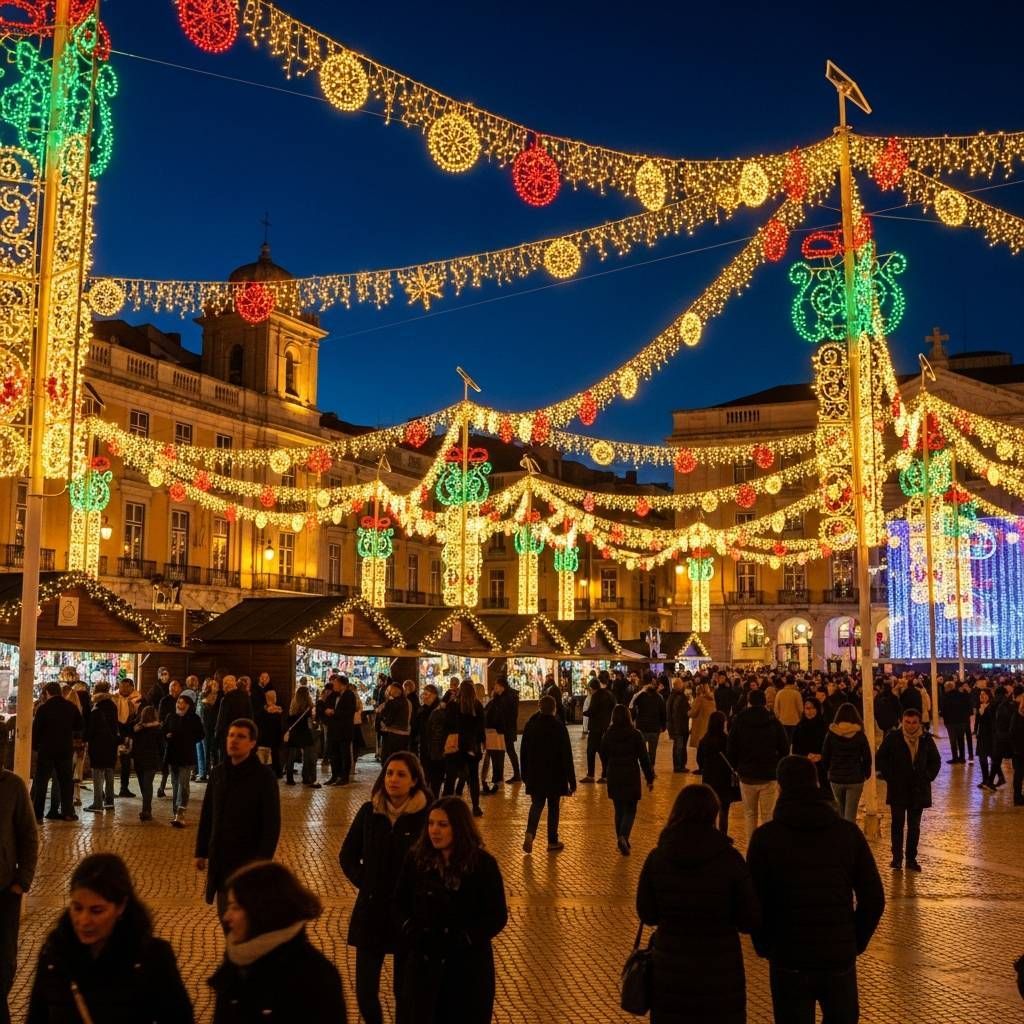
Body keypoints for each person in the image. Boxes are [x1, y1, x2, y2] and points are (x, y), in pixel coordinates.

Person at [747, 755, 884, 1024]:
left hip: (788, 956)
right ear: (817, 783)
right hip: (837, 957)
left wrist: (765, 944)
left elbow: (754, 901)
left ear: (782, 788)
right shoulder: (847, 834)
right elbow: (874, 898)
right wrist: (854, 940)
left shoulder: (766, 839)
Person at [637, 784, 759, 1024]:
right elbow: (750, 919)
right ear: (714, 813)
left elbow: (647, 913)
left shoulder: (658, 858)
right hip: (720, 974)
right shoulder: (730, 859)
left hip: (670, 973)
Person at [26, 852, 193, 1023]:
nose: (83, 921)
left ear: (121, 907)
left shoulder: (153, 957)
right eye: (77, 908)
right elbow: (36, 1017)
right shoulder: (54, 954)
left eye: (96, 910)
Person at [395, 797, 508, 1024]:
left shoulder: (482, 865)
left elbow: (496, 915)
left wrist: (466, 937)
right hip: (424, 967)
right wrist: (411, 929)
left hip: (467, 970)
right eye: (431, 824)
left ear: (459, 827)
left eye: (442, 825)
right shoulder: (416, 860)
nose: (434, 831)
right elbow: (399, 902)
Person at [340, 752, 431, 1024]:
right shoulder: (370, 812)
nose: (393, 779)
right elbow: (347, 855)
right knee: (365, 991)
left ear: (414, 780)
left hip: (407, 916)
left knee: (405, 993)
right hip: (371, 912)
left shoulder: (426, 816)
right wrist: (365, 882)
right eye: (390, 773)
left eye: (401, 774)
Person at [210, 860, 346, 1023]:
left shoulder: (316, 978)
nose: (226, 917)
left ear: (261, 911)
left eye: (236, 907)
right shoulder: (237, 961)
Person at [195, 718, 281, 916]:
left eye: (241, 737)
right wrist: (201, 851)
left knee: (246, 920)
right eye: (231, 735)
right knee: (226, 917)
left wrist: (260, 864)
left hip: (247, 862)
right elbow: (208, 814)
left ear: (252, 743)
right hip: (221, 862)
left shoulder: (264, 777)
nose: (233, 740)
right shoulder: (217, 774)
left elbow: (271, 826)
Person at [876, 708, 941, 871]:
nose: (911, 726)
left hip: (918, 789)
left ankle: (911, 859)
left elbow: (935, 760)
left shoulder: (926, 739)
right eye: (907, 722)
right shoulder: (893, 738)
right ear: (902, 721)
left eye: (914, 723)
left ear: (919, 723)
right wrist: (890, 776)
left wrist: (927, 776)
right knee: (897, 824)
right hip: (898, 788)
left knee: (914, 826)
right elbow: (881, 757)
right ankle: (897, 858)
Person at [726, 689, 790, 838]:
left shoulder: (739, 720)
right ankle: (767, 848)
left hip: (746, 775)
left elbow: (731, 748)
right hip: (769, 775)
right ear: (764, 702)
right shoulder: (773, 721)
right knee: (768, 815)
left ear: (749, 702)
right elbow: (785, 748)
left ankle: (752, 848)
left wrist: (736, 767)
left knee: (750, 814)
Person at [0, 767, 36, 1024]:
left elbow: (28, 835)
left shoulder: (12, 786)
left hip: (3, 893)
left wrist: (21, 882)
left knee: (3, 965)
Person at [519, 694, 576, 852]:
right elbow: (567, 754)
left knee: (536, 804)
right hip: (555, 774)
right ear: (554, 709)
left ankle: (530, 834)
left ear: (539, 707)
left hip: (535, 774)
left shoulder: (531, 725)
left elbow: (523, 751)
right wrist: (572, 780)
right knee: (553, 807)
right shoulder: (558, 726)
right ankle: (552, 841)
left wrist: (524, 774)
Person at [601, 703, 654, 854]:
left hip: (614, 773)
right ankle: (624, 836)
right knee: (630, 809)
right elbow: (644, 758)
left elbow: (603, 752)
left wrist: (606, 769)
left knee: (618, 809)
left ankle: (620, 839)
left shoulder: (609, 734)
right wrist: (649, 778)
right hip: (630, 773)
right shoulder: (635, 734)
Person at [31, 681, 82, 822]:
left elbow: (36, 731)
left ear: (47, 693)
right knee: (65, 782)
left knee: (41, 783)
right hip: (65, 750)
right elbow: (80, 724)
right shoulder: (70, 707)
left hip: (46, 750)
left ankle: (38, 815)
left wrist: (35, 747)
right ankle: (68, 813)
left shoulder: (43, 709)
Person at [821, 703, 873, 823]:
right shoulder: (860, 735)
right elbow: (866, 757)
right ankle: (849, 838)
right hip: (855, 778)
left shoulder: (831, 734)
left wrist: (829, 770)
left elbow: (825, 755)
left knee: (839, 812)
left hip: (836, 778)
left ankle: (840, 838)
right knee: (850, 814)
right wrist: (866, 773)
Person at [441, 679, 485, 817]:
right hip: (472, 747)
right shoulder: (477, 706)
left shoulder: (453, 705)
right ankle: (476, 806)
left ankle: (444, 806)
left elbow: (446, 724)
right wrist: (481, 743)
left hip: (456, 746)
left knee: (451, 777)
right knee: (473, 778)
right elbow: (481, 727)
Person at [164, 694, 205, 828]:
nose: (178, 704)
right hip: (173, 755)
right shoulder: (171, 717)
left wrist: (189, 739)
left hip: (187, 756)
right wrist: (167, 735)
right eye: (178, 702)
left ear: (187, 705)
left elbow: (201, 734)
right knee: (175, 784)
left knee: (184, 784)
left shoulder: (194, 718)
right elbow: (163, 731)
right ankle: (176, 812)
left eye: (181, 703)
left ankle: (181, 811)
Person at [82, 681, 118, 813]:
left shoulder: (96, 708)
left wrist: (84, 739)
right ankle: (109, 801)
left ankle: (97, 803)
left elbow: (91, 729)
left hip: (98, 745)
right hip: (111, 744)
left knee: (97, 774)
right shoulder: (113, 706)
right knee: (109, 773)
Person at [697, 711, 735, 834]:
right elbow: (733, 758)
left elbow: (700, 760)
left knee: (710, 809)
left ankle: (710, 834)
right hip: (724, 779)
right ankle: (723, 835)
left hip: (709, 778)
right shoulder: (727, 740)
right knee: (724, 811)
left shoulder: (704, 740)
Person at [319, 675, 356, 786]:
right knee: (334, 754)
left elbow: (349, 712)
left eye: (335, 683)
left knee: (344, 754)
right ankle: (334, 776)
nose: (333, 685)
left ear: (342, 684)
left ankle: (344, 777)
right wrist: (326, 711)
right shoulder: (333, 695)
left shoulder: (350, 695)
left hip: (344, 730)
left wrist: (334, 712)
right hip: (333, 730)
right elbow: (325, 706)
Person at [581, 674, 615, 783]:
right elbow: (614, 706)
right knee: (602, 751)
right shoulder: (609, 694)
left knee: (591, 751)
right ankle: (605, 774)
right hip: (605, 727)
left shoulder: (596, 696)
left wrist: (585, 713)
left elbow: (592, 711)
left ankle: (591, 775)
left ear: (592, 688)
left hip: (595, 728)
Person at [416, 684, 448, 798]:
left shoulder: (439, 710)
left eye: (426, 694)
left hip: (436, 751)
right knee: (426, 777)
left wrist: (439, 750)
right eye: (423, 694)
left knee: (436, 779)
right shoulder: (423, 710)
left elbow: (439, 733)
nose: (423, 697)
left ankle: (434, 800)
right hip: (426, 749)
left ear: (434, 695)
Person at [132, 706, 163, 821]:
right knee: (147, 785)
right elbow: (161, 747)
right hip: (151, 760)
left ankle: (146, 809)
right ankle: (147, 810)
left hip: (139, 760)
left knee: (144, 785)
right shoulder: (157, 729)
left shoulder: (137, 729)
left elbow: (134, 745)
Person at [284, 684, 319, 787]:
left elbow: (289, 720)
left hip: (294, 733)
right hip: (304, 733)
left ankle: (290, 779)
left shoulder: (293, 707)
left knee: (291, 757)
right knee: (308, 756)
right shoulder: (308, 708)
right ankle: (306, 777)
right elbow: (309, 723)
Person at [791, 697, 828, 790]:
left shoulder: (825, 727)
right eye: (807, 708)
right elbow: (795, 749)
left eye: (812, 708)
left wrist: (821, 756)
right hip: (804, 767)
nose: (809, 711)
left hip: (822, 768)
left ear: (818, 709)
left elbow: (829, 747)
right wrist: (806, 756)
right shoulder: (799, 727)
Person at [481, 679, 510, 795]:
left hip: (495, 734)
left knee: (496, 758)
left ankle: (496, 781)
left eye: (496, 687)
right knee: (493, 758)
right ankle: (493, 780)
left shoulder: (499, 702)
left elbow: (498, 718)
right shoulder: (494, 702)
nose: (493, 689)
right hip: (493, 734)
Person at [630, 674, 667, 766]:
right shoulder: (659, 697)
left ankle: (643, 766)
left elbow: (632, 707)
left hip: (642, 727)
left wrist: (633, 721)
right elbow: (663, 713)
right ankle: (651, 769)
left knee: (641, 749)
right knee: (652, 751)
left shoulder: (640, 696)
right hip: (654, 728)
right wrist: (663, 726)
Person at [214, 675, 253, 755]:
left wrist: (217, 737)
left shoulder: (226, 699)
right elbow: (250, 716)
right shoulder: (245, 696)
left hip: (228, 736)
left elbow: (221, 720)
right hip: (243, 734)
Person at [378, 681, 413, 761]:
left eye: (389, 690)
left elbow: (388, 720)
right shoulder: (408, 702)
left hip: (393, 734)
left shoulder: (393, 702)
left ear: (395, 690)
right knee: (401, 758)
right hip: (405, 735)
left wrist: (382, 720)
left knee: (390, 759)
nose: (388, 692)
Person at [940, 679, 971, 765]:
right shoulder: (961, 695)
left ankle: (955, 758)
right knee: (961, 739)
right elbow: (967, 707)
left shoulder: (945, 697)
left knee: (953, 741)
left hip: (951, 723)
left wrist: (944, 720)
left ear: (947, 688)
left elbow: (943, 711)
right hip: (962, 722)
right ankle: (962, 758)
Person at [973, 688, 999, 791]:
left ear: (989, 695)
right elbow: (977, 721)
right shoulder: (980, 707)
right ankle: (985, 780)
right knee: (982, 759)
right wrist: (975, 731)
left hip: (990, 736)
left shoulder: (992, 707)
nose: (982, 696)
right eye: (980, 695)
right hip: (981, 736)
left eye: (984, 694)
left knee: (993, 758)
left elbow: (992, 721)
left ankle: (991, 781)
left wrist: (984, 711)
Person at [665, 676, 691, 773]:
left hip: (680, 727)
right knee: (679, 747)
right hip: (679, 727)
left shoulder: (677, 696)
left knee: (680, 747)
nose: (683, 685)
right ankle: (678, 766)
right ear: (676, 686)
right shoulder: (677, 697)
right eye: (681, 684)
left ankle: (680, 765)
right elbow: (676, 713)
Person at [687, 682, 716, 769]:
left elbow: (692, 713)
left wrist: (687, 712)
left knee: (700, 750)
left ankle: (701, 768)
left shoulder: (699, 699)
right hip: (708, 727)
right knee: (706, 749)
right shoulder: (712, 699)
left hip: (700, 727)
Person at [197, 678, 220, 781]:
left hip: (211, 726)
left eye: (216, 685)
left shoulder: (218, 696)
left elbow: (214, 711)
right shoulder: (203, 694)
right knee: (202, 751)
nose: (214, 686)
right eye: (212, 685)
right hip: (202, 725)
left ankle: (210, 772)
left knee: (210, 751)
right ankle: (203, 772)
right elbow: (200, 709)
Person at [501, 677, 522, 783]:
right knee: (510, 751)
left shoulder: (507, 697)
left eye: (496, 685)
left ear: (501, 686)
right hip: (508, 728)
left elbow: (506, 713)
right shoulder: (510, 695)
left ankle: (517, 775)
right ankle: (517, 774)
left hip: (506, 729)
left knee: (510, 751)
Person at [774, 674, 803, 745]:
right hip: (795, 722)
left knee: (784, 742)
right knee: (793, 742)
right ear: (794, 682)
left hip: (782, 721)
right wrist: (800, 719)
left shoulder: (779, 693)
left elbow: (776, 709)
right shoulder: (797, 694)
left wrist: (779, 717)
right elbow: (801, 709)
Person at [1009, 688, 1024, 806]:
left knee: (1019, 773)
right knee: (1019, 773)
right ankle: (1017, 797)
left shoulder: (1016, 713)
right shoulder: (1016, 714)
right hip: (1019, 749)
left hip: (1017, 748)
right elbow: (1013, 732)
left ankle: (1018, 796)